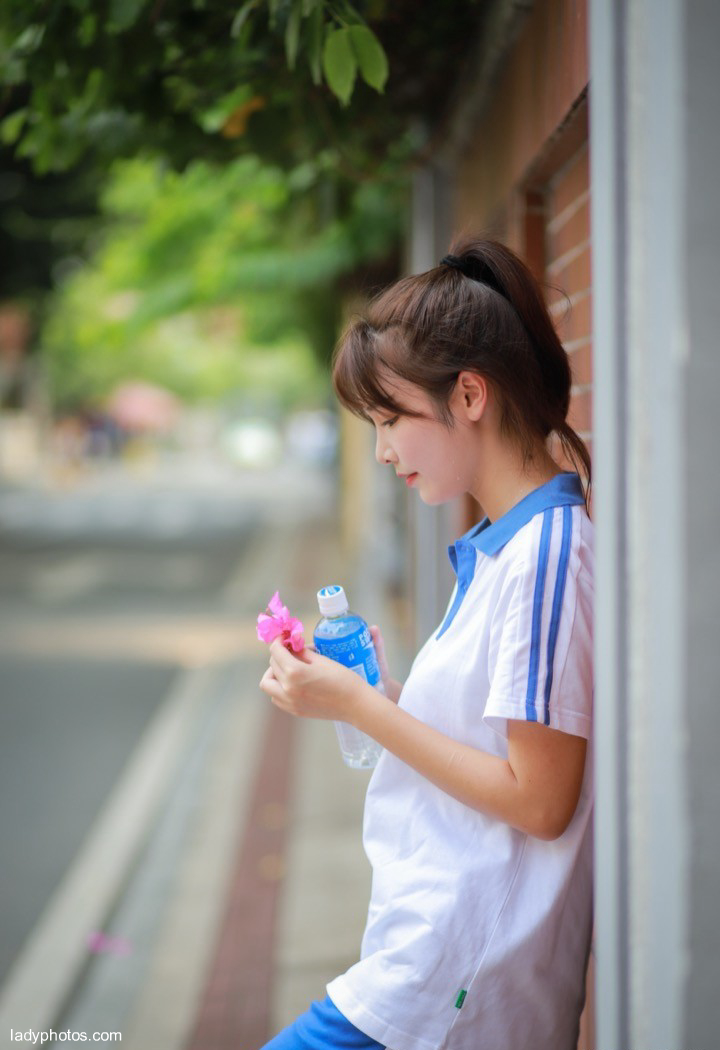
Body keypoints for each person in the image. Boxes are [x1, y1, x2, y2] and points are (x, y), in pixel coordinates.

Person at [259, 237, 594, 1050]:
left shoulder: (548, 554)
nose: (381, 451)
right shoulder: (503, 545)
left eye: (389, 419)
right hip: (428, 956)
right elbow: (490, 739)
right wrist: (376, 697)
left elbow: (540, 801)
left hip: (456, 974)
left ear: (469, 394)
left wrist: (362, 711)